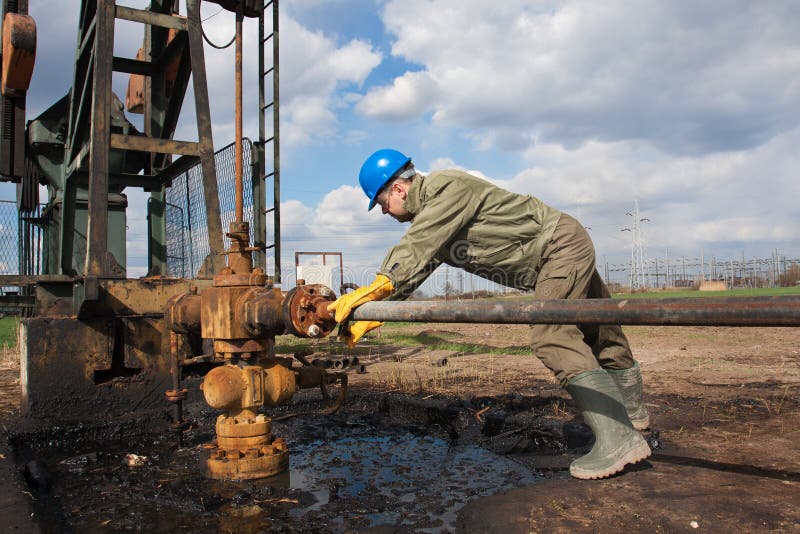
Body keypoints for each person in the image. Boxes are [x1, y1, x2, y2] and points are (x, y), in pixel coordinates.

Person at [326, 148, 651, 479]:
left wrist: (381, 283)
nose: (384, 213)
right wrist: (378, 309)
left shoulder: (445, 188)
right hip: (559, 247)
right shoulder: (437, 217)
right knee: (599, 326)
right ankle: (632, 412)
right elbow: (420, 261)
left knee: (551, 334)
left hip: (556, 247)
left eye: (381, 204)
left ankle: (619, 439)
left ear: (397, 189)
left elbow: (417, 244)